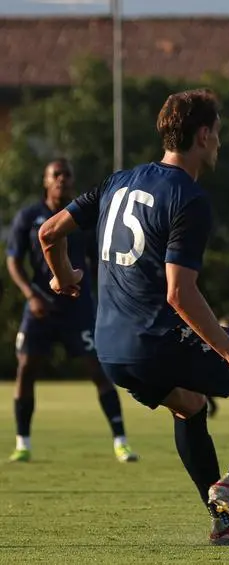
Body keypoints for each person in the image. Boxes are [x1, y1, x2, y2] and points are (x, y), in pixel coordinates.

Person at [37, 89, 229, 547]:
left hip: (111, 350)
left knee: (189, 405)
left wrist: (63, 277)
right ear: (202, 135)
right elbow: (180, 294)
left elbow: (49, 231)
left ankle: (222, 522)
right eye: (217, 133)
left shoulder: (116, 182)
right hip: (156, 340)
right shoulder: (189, 197)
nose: (218, 142)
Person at [5, 158, 138, 463]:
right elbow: (13, 261)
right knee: (26, 369)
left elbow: (101, 260)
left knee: (98, 370)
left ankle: (121, 441)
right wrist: (30, 295)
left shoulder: (84, 219)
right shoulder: (29, 217)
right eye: (56, 175)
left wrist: (104, 297)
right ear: (45, 180)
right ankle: (22, 442)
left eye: (67, 174)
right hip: (40, 306)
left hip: (78, 307)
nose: (62, 179)